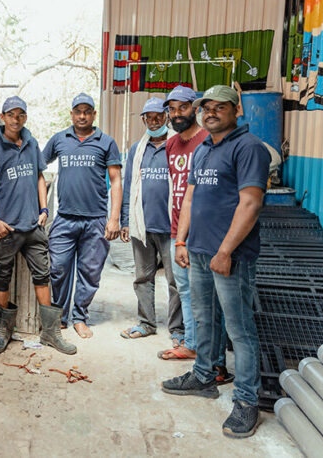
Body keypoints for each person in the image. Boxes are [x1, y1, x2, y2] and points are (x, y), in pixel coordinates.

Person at [162, 85, 270, 439]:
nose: (209, 113)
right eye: (204, 108)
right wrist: (182, 239)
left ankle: (247, 400)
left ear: (236, 109)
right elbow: (191, 198)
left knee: (239, 329)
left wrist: (225, 251)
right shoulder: (204, 148)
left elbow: (250, 204)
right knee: (204, 318)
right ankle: (205, 375)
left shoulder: (248, 148)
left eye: (218, 107)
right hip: (198, 250)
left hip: (230, 256)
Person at [0, 96, 76, 355]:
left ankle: (50, 333)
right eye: (11, 114)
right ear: (2, 117)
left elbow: (40, 177)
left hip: (33, 227)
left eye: (20, 114)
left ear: (25, 118)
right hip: (7, 229)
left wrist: (44, 209)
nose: (15, 119)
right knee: (2, 277)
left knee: (43, 276)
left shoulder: (32, 144)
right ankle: (4, 331)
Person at [159, 87, 232, 384]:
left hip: (206, 235)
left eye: (183, 107)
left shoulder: (208, 141)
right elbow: (179, 193)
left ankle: (215, 363)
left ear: (195, 109)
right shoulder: (171, 145)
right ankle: (192, 346)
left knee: (211, 303)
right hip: (179, 230)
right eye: (172, 109)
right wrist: (177, 236)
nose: (177, 114)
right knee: (187, 293)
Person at [43, 93, 122, 338]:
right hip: (65, 218)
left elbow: (116, 180)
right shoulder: (59, 139)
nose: (82, 116)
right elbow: (37, 166)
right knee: (58, 268)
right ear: (71, 114)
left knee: (90, 273)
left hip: (96, 219)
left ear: (94, 115)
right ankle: (61, 316)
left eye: (87, 111)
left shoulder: (105, 141)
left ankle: (79, 317)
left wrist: (114, 218)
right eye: (78, 111)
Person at [118, 97, 183, 344]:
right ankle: (146, 323)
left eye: (158, 116)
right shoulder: (137, 149)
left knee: (176, 280)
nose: (154, 121)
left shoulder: (177, 145)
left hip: (171, 226)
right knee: (143, 278)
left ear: (167, 117)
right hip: (141, 225)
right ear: (143, 119)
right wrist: (125, 220)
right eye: (149, 117)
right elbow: (128, 186)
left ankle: (178, 329)